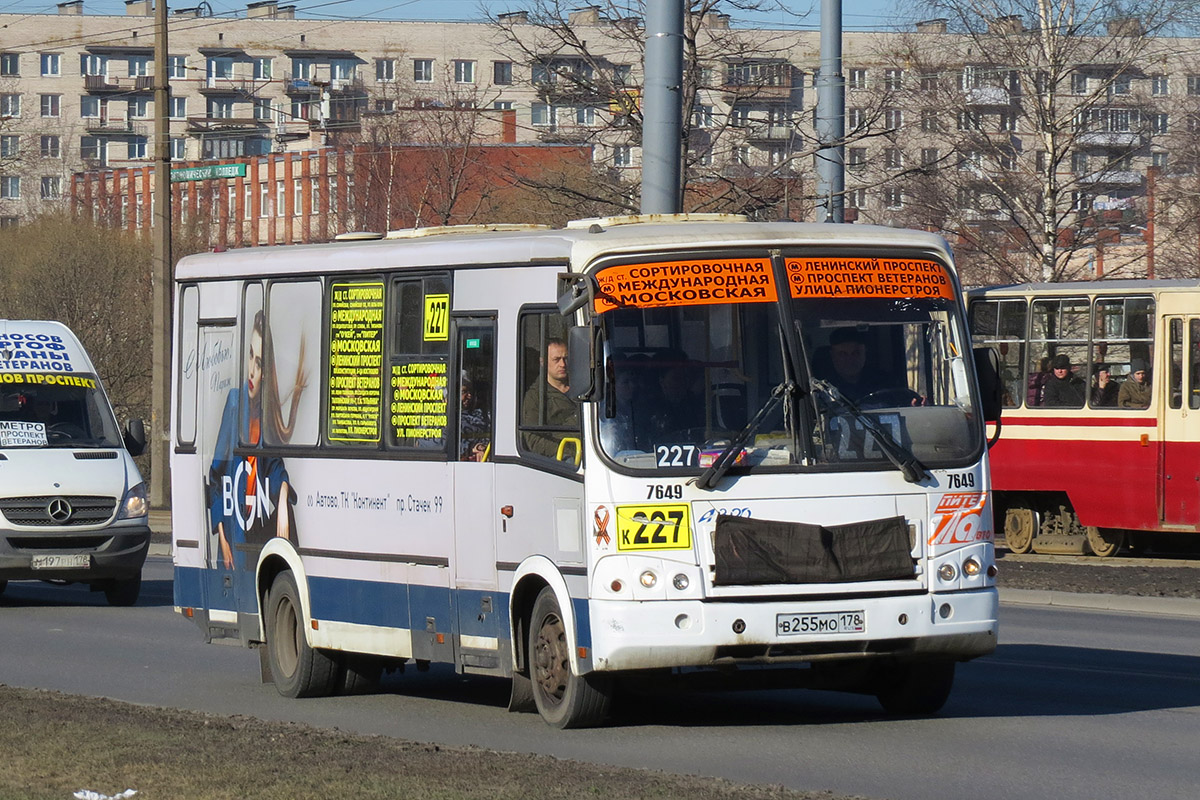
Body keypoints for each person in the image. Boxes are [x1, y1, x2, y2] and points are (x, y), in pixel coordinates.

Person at [208, 310, 307, 570]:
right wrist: (223, 537)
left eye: (260, 363)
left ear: (267, 371)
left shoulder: (266, 416)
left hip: (258, 534)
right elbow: (216, 476)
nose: (252, 370)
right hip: (235, 538)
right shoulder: (234, 402)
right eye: (250, 356)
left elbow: (275, 469)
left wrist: (283, 498)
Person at [521, 338, 579, 459]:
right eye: (556, 359)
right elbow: (534, 440)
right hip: (563, 462)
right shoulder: (535, 397)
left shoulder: (584, 388)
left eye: (565, 358)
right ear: (543, 362)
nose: (563, 364)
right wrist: (568, 454)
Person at [822, 326, 891, 401]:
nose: (850, 359)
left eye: (856, 353)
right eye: (843, 354)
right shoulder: (823, 388)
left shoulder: (883, 383)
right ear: (833, 355)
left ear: (865, 353)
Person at [459, 371, 491, 461]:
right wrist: (471, 449)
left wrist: (482, 447)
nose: (469, 396)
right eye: (464, 392)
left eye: (470, 392)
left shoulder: (482, 414)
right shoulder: (438, 420)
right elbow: (440, 445)